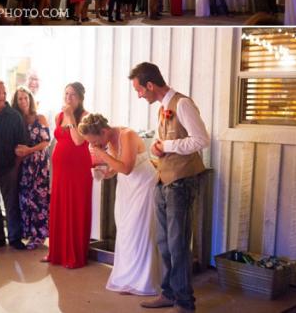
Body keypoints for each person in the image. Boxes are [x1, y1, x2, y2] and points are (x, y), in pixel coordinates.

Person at [129, 63, 210, 312]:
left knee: (178, 245)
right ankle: (169, 293)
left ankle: (185, 302)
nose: (139, 95)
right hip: (163, 181)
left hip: (182, 183)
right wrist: (157, 146)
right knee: (164, 243)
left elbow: (201, 140)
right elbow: (165, 140)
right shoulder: (162, 108)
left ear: (150, 85)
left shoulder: (183, 104)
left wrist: (167, 146)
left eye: (139, 90)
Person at [79, 114, 158, 296]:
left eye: (96, 141)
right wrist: (108, 173)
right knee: (125, 230)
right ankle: (128, 278)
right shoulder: (108, 139)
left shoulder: (127, 135)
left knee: (139, 230)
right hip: (126, 188)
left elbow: (128, 168)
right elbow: (118, 167)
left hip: (143, 185)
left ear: (104, 131)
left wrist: (102, 154)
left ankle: (142, 281)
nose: (95, 146)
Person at [44, 83, 92, 268]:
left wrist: (71, 116)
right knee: (60, 207)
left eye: (72, 95)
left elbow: (78, 140)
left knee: (75, 208)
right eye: (66, 94)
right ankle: (56, 252)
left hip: (78, 170)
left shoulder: (86, 116)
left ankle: (74, 255)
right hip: (61, 171)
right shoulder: (58, 116)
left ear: (80, 98)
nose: (68, 98)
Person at [0, 80, 28, 250]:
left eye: (3, 92)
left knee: (11, 204)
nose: (1, 96)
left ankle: (15, 238)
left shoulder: (14, 116)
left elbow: (21, 144)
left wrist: (15, 168)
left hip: (8, 168)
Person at [11, 86, 50, 250]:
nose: (23, 101)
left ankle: (40, 236)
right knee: (25, 200)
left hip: (39, 165)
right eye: (20, 99)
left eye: (25, 98)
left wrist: (30, 150)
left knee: (39, 200)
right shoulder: (16, 119)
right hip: (24, 165)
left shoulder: (40, 117)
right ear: (16, 102)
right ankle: (29, 233)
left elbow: (46, 142)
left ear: (30, 99)